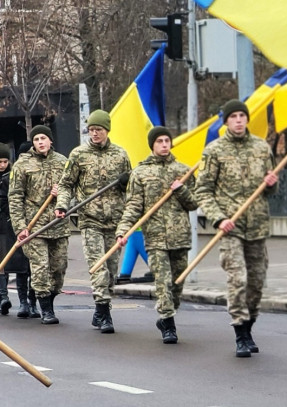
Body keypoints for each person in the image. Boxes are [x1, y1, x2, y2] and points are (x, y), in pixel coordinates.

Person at [194, 99, 279, 358]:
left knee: (256, 283)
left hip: (257, 226)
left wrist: (272, 182)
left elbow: (272, 190)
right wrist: (219, 219)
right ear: (227, 120)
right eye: (234, 116)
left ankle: (249, 324)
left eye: (243, 116)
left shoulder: (261, 148)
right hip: (230, 228)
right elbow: (203, 190)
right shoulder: (214, 151)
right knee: (238, 279)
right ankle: (240, 332)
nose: (239, 120)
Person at [115, 127, 198, 345]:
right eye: (159, 141)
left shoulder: (183, 170)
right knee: (163, 281)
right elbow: (133, 206)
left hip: (180, 236)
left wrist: (181, 189)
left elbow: (194, 203)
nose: (164, 144)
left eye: (167, 140)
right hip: (155, 238)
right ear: (152, 144)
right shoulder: (140, 173)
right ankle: (167, 322)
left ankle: (169, 312)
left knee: (177, 282)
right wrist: (123, 231)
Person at [56, 109, 131, 334]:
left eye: (98, 129)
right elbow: (65, 183)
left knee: (111, 269)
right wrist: (62, 205)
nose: (94, 133)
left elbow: (132, 189)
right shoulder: (79, 154)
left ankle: (102, 308)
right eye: (91, 130)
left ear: (107, 130)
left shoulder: (120, 154)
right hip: (90, 220)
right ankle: (104, 312)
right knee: (98, 267)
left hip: (115, 221)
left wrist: (127, 184)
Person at [9, 125, 68, 325]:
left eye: (43, 138)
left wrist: (62, 195)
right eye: (36, 139)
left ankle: (47, 299)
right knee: (40, 267)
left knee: (58, 269)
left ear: (50, 140)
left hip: (58, 224)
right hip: (34, 227)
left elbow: (74, 190)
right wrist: (20, 227)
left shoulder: (63, 162)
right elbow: (15, 197)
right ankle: (46, 310)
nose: (40, 142)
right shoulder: (22, 164)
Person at [0, 143, 33, 317]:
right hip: (8, 223)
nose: (2, 165)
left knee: (20, 263)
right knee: (2, 264)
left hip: (10, 226)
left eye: (5, 161)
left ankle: (28, 302)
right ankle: (3, 297)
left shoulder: (12, 176)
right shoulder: (7, 180)